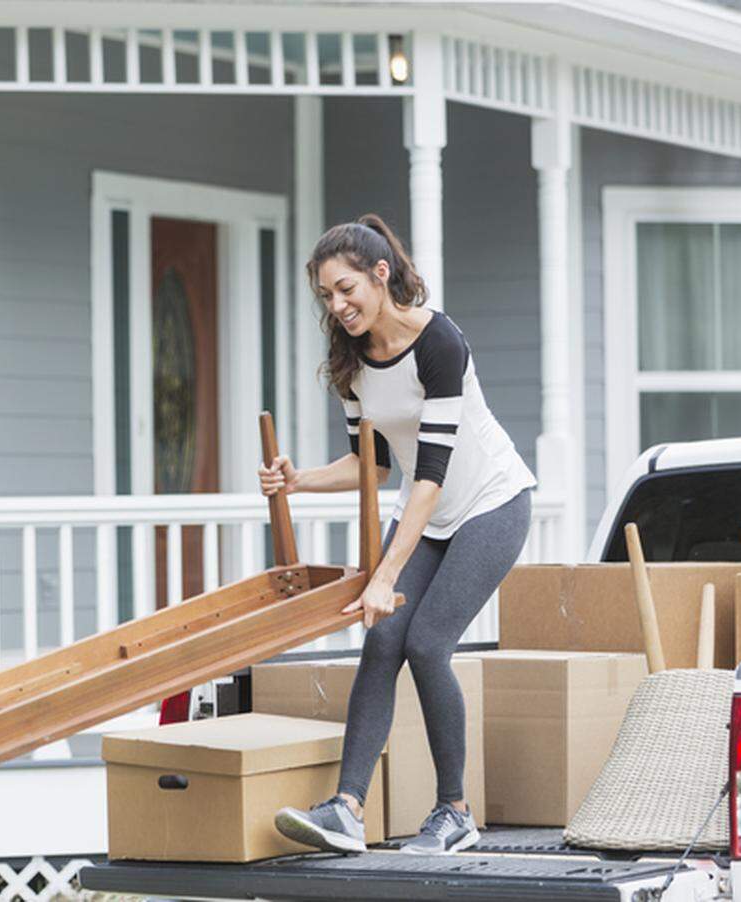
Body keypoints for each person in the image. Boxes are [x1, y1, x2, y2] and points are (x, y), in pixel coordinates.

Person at [262, 214, 535, 855]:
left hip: (490, 504)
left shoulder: (441, 344)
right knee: (383, 639)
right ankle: (346, 810)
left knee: (429, 642)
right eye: (326, 295)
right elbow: (373, 466)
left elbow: (430, 475)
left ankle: (455, 811)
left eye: (347, 289)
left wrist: (385, 574)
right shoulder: (350, 359)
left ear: (380, 275)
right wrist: (298, 480)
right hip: (428, 512)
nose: (338, 305)